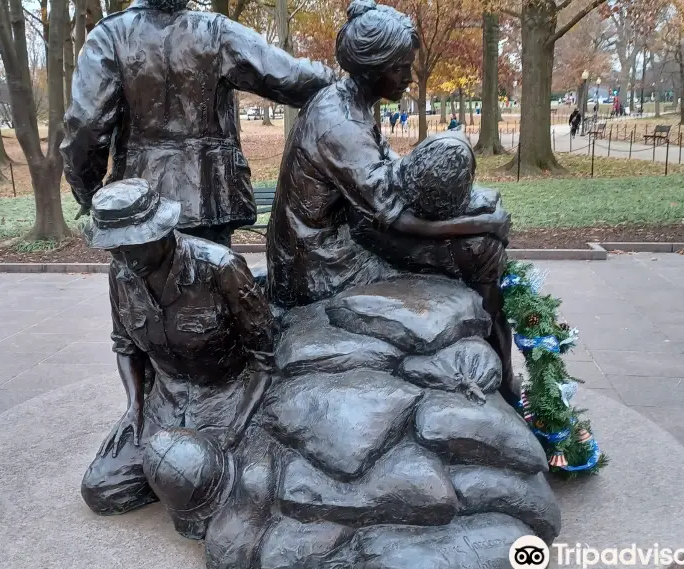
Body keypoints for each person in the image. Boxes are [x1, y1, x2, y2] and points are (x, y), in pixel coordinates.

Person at [265, 0, 517, 402]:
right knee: (479, 247)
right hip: (322, 264)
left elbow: (383, 173)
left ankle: (496, 364)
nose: (408, 77)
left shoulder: (353, 101)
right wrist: (484, 225)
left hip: (351, 231)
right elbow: (398, 219)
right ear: (371, 69)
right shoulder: (339, 123)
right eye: (400, 68)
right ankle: (499, 377)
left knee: (480, 214)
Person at [61, 0, 335, 247]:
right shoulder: (215, 32)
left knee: (140, 297)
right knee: (210, 292)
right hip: (208, 199)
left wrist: (89, 192)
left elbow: (85, 126)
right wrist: (350, 75)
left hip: (138, 207)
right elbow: (291, 76)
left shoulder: (108, 35)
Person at [80, 178, 275, 521]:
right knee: (102, 490)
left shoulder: (220, 267)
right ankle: (168, 473)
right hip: (164, 403)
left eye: (133, 245)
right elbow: (125, 345)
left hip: (224, 402)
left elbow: (264, 359)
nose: (125, 259)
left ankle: (199, 476)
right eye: (114, 249)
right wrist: (133, 407)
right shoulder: (122, 273)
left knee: (209, 498)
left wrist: (238, 430)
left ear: (160, 232)